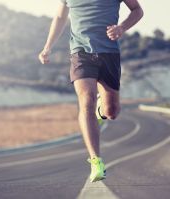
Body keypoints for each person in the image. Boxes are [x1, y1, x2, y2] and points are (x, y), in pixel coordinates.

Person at [39, 0, 143, 183]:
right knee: (86, 100)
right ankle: (96, 161)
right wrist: (47, 47)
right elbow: (60, 16)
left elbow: (137, 10)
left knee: (111, 112)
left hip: (109, 53)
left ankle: (100, 109)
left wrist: (121, 28)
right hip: (80, 53)